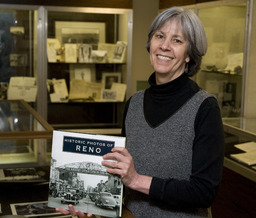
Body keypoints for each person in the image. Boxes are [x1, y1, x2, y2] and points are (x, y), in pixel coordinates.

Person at [56, 6, 224, 217]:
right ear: (150, 43)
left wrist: (137, 180)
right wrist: (92, 205)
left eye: (177, 40)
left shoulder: (205, 108)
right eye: (159, 36)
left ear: (190, 54)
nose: (164, 46)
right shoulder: (134, 103)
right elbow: (121, 172)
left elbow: (204, 192)